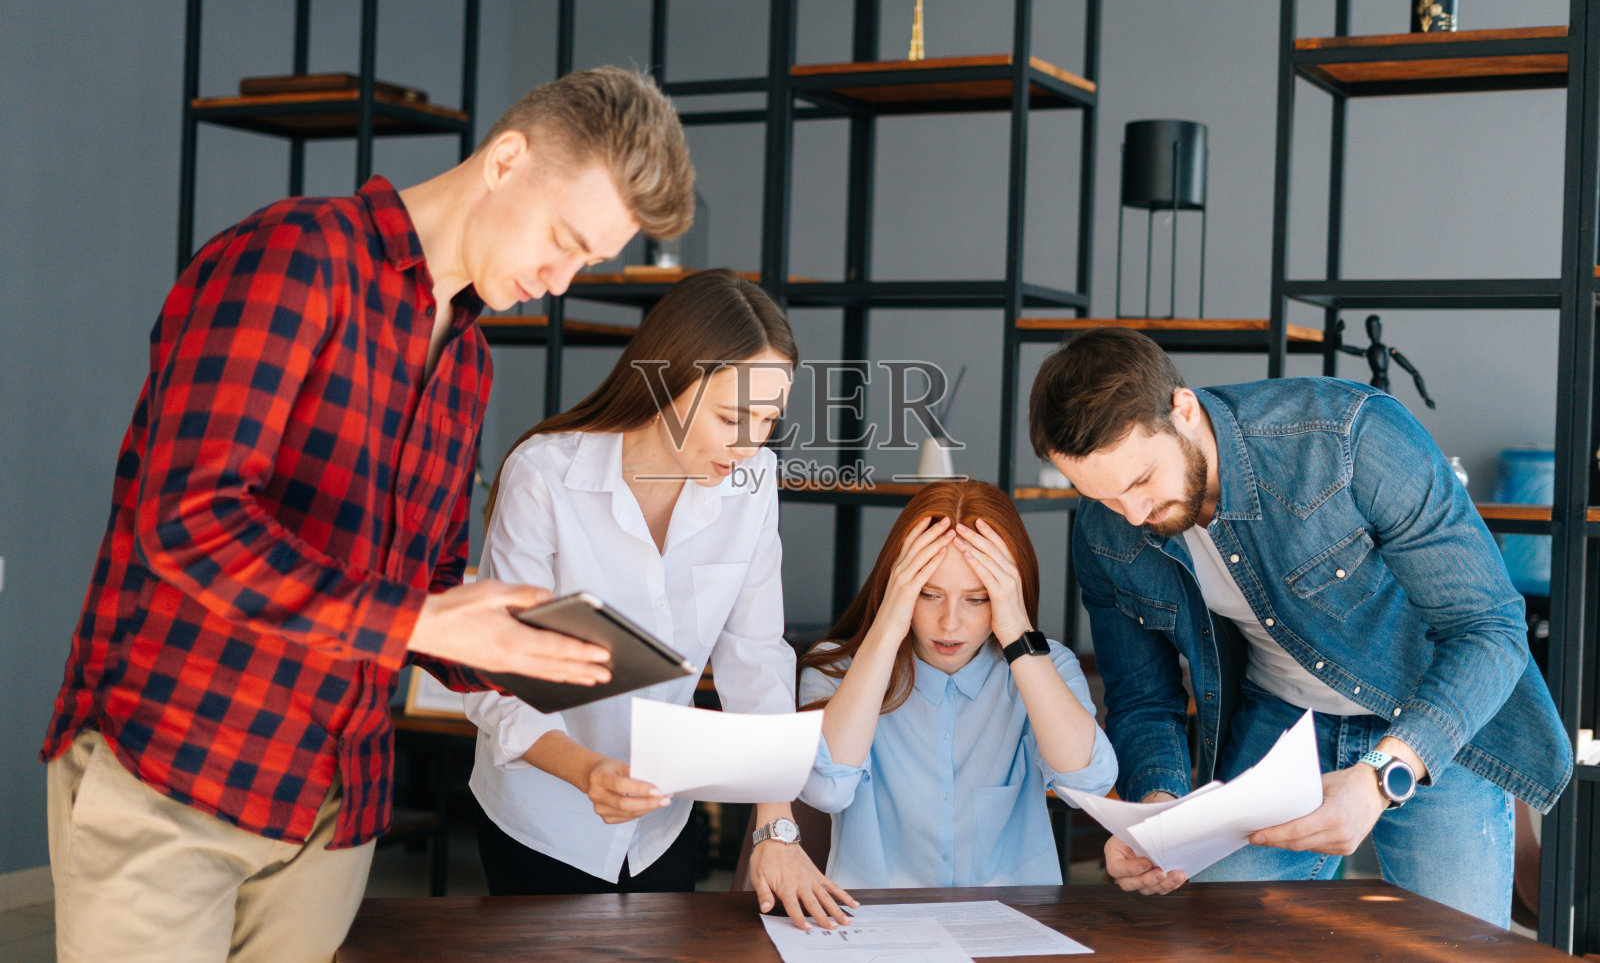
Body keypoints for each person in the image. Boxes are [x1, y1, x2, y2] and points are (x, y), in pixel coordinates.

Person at [40, 66, 695, 962]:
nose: (560, 278)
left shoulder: (466, 363)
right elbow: (185, 520)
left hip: (333, 805)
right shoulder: (295, 259)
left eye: (588, 261)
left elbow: (415, 591)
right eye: (562, 239)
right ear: (507, 159)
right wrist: (424, 615)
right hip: (177, 772)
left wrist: (512, 641)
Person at [1027, 326, 1572, 927]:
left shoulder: (1347, 437)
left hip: (1428, 716)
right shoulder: (1106, 528)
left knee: (1454, 947)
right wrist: (1158, 816)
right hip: (1284, 727)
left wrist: (1380, 777)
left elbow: (1489, 627)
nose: (1131, 515)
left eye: (1139, 482)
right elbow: (1141, 695)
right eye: (1100, 495)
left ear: (1183, 410)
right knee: (1202, 935)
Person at [463, 268, 855, 930]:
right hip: (545, 816)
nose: (750, 444)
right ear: (669, 382)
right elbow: (493, 677)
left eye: (767, 420)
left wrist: (775, 826)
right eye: (733, 417)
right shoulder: (545, 475)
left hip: (665, 823)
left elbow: (754, 657)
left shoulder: (752, 478)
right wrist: (587, 770)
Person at [796, 481, 1116, 889]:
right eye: (928, 594)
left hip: (1010, 931)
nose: (950, 623)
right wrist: (890, 620)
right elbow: (826, 790)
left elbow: (1089, 784)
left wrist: (1018, 631)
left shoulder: (1045, 667)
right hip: (877, 933)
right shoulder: (835, 669)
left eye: (978, 599)